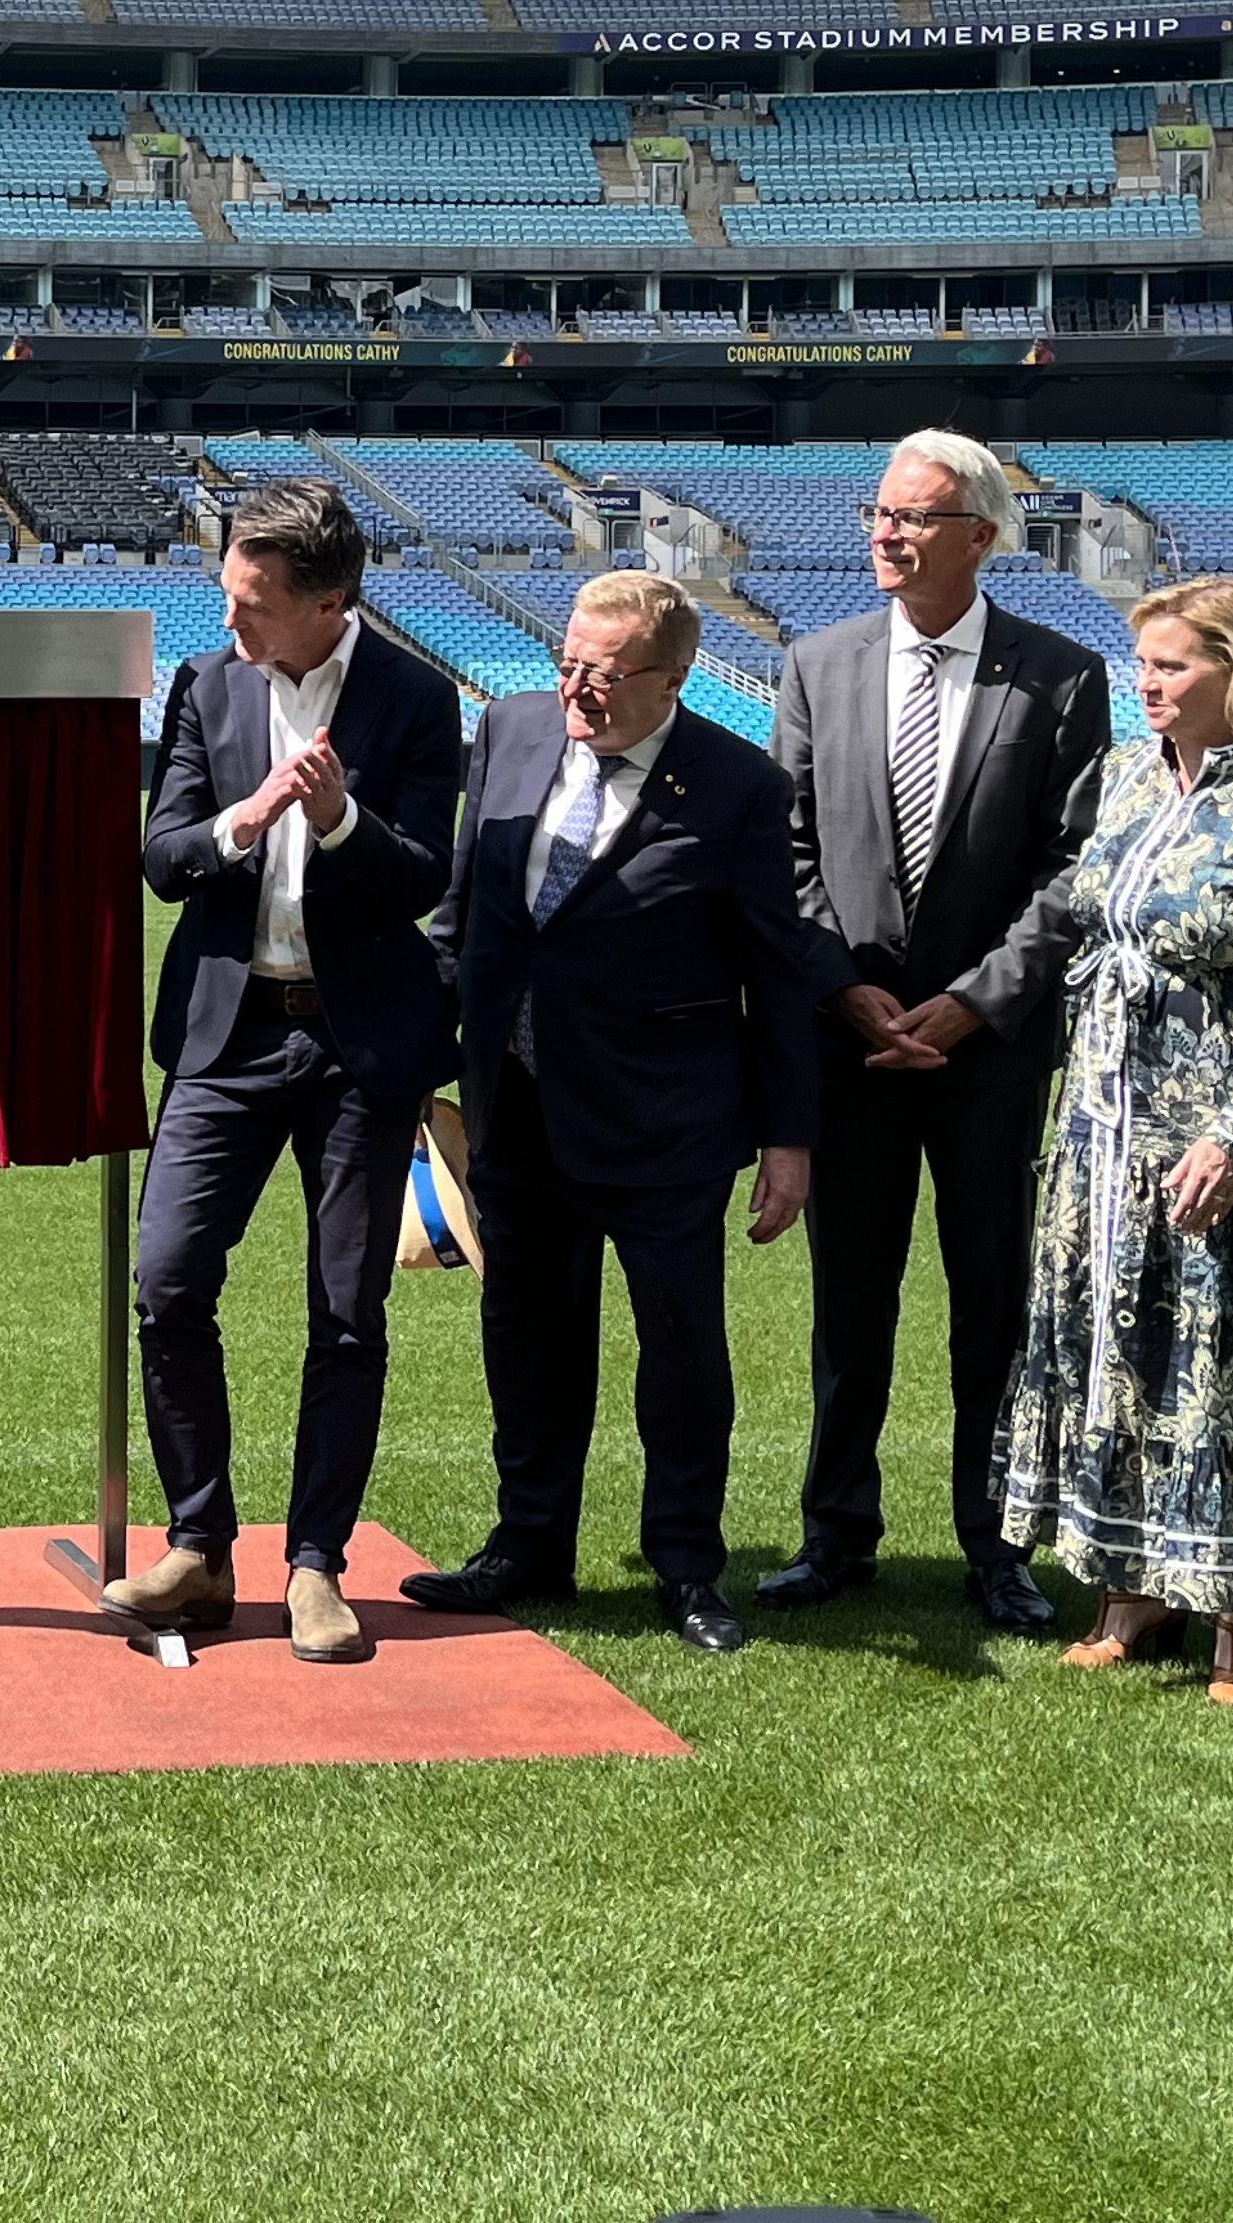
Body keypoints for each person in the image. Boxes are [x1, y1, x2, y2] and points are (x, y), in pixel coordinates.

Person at [404, 568, 824, 1655]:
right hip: (520, 1106)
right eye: (567, 663)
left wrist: (790, 1140)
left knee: (680, 1354)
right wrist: (412, 1064)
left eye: (605, 671)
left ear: (674, 677)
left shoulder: (736, 785)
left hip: (666, 1121)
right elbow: (463, 920)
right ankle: (528, 1545)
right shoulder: (510, 731)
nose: (578, 687)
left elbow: (777, 976)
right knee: (528, 1342)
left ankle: (688, 1568)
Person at [997, 575, 1233, 1712]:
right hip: (1105, 1139)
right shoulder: (1121, 780)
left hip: (1232, 1156)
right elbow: (1084, 928)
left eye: (1175, 665)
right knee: (1119, 1358)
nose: (1151, 685)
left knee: (1228, 1370)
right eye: (1146, 665)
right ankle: (1129, 1589)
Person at [101, 479, 463, 1666]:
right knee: (168, 1280)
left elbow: (423, 881)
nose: (232, 619)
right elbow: (162, 857)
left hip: (361, 1048)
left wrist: (347, 822)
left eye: (252, 603)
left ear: (330, 603)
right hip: (227, 1035)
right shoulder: (209, 687)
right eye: (229, 595)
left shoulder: (415, 698)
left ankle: (317, 1564)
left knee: (348, 1309)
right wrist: (246, 820)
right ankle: (201, 1546)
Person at [762, 431, 1109, 1635]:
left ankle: (997, 1542)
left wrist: (973, 1004)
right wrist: (848, 992)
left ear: (980, 535)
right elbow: (790, 854)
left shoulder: (1060, 676)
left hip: (989, 1059)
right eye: (879, 512)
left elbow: (1074, 872)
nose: (887, 533)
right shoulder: (818, 664)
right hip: (851, 1048)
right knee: (848, 1308)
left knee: (992, 1306)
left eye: (915, 516)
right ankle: (833, 1536)